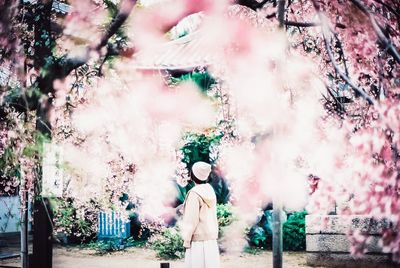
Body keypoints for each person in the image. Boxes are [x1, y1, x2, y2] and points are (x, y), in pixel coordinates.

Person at [181, 161, 221, 268]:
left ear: (193, 175)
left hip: (198, 240)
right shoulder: (209, 190)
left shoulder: (194, 193)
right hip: (210, 239)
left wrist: (187, 239)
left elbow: (191, 220)